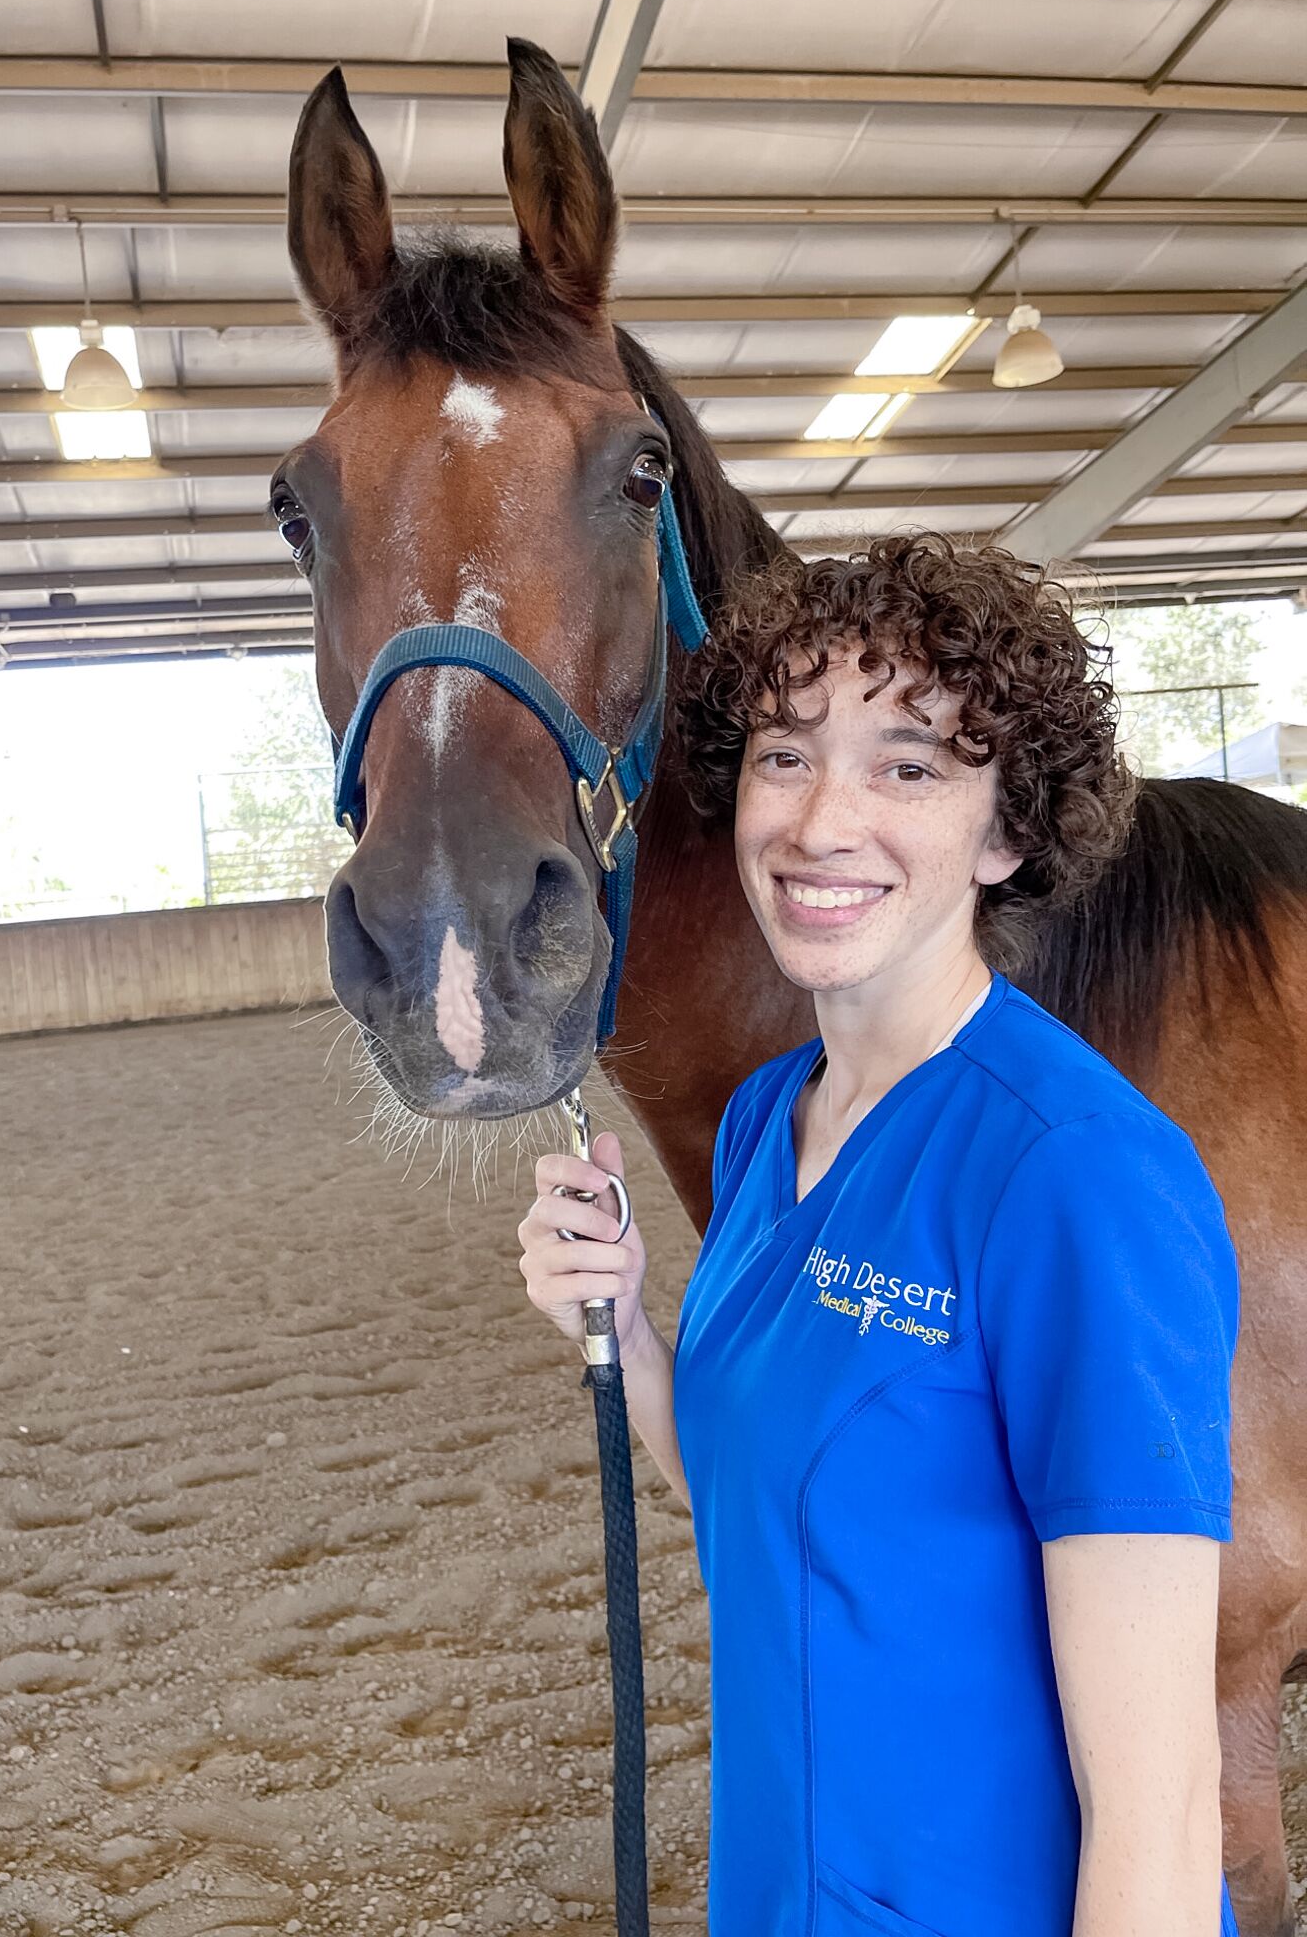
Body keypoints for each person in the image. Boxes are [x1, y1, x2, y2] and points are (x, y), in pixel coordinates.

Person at [517, 535, 1241, 1937]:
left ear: (1008, 832)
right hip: (783, 1889)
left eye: (909, 768)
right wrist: (631, 1335)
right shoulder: (764, 1120)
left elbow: (1161, 1803)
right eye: (785, 757)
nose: (821, 822)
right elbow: (765, 1505)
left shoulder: (1077, 1178)